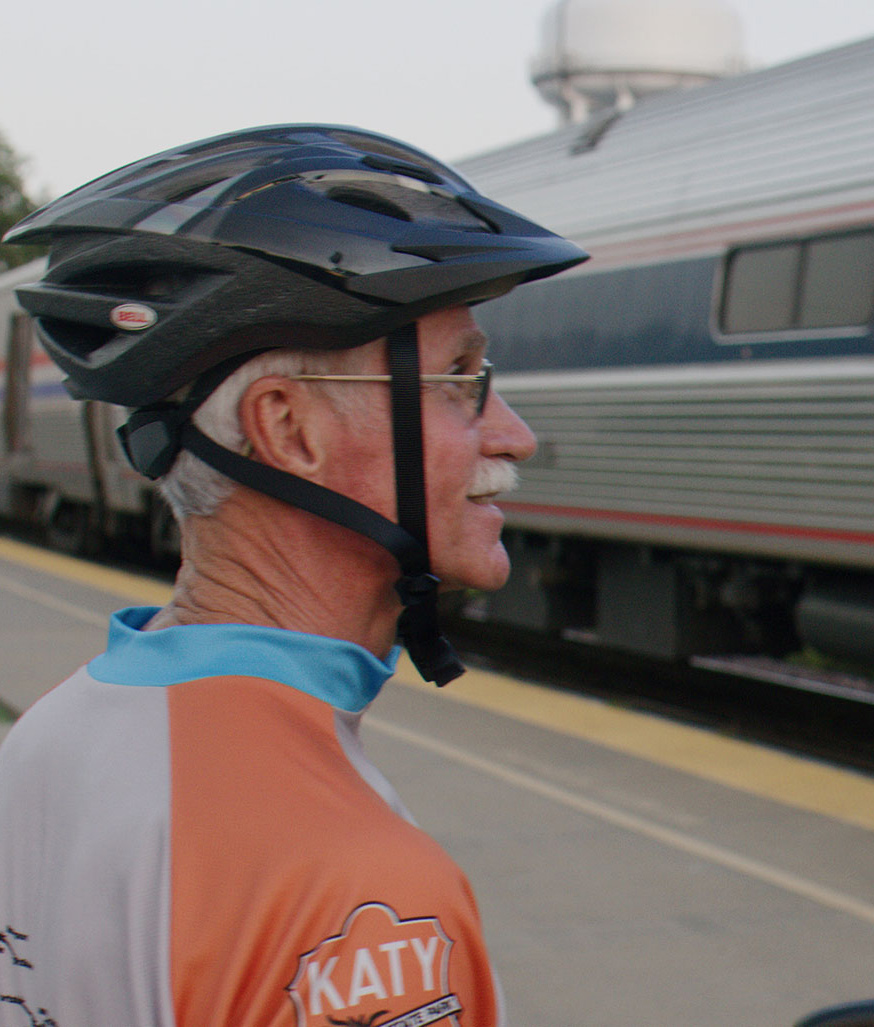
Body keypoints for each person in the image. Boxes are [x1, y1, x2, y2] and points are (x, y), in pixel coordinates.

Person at [0, 125, 587, 1027]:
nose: (512, 433)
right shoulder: (360, 897)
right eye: (462, 377)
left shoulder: (52, 736)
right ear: (288, 429)